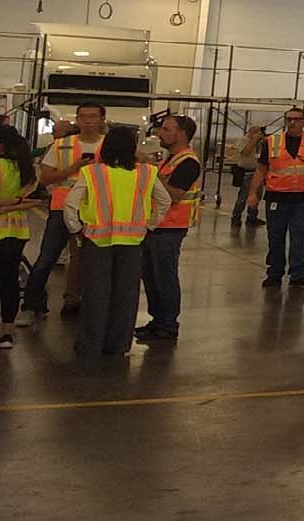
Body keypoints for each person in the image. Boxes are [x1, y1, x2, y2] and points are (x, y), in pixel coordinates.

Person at [62, 126, 168, 362]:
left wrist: (76, 229)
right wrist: (149, 224)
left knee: (95, 294)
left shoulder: (92, 173)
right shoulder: (146, 173)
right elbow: (164, 201)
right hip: (133, 242)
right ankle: (118, 344)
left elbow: (70, 204)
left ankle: (91, 345)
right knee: (126, 295)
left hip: (97, 242)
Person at [17, 103, 107, 325]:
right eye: (83, 117)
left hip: (93, 211)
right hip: (61, 209)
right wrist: (73, 167)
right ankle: (31, 305)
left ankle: (79, 302)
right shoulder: (61, 145)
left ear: (102, 119)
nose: (87, 121)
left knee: (87, 261)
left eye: (93, 117)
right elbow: (45, 178)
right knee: (47, 258)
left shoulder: (109, 146)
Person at [244, 107, 304, 289]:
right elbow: (261, 170)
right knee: (275, 236)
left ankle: (298, 274)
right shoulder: (272, 142)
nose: (292, 123)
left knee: (299, 236)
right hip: (276, 198)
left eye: (296, 119)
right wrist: (252, 194)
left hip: (303, 199)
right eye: (289, 119)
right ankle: (274, 273)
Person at [138, 114, 201, 342]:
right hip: (156, 225)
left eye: (166, 129)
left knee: (164, 277)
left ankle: (168, 323)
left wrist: (149, 170)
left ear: (181, 134)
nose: (160, 133)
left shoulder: (188, 162)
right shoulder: (170, 159)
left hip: (171, 227)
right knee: (152, 276)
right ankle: (157, 320)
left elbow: (174, 194)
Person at [0, 125, 40, 350]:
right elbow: (38, 200)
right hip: (17, 231)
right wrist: (19, 203)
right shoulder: (28, 169)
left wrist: (1, 206)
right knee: (9, 282)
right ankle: (6, 332)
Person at [230, 127, 263, 227]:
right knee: (243, 197)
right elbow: (245, 152)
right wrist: (254, 140)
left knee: (257, 195)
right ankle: (236, 217)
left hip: (257, 172)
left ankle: (252, 217)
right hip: (246, 172)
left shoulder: (258, 143)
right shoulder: (244, 140)